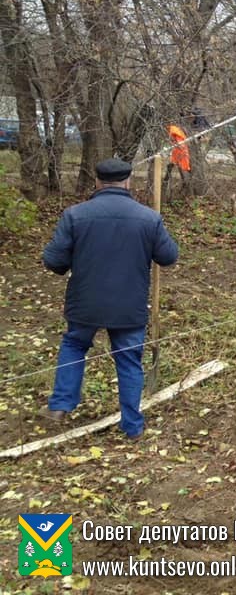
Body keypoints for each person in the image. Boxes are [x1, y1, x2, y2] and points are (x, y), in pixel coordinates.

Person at [41, 158, 180, 440]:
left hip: (85, 302)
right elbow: (169, 257)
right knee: (129, 360)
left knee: (74, 345)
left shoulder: (75, 215)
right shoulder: (148, 218)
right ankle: (132, 426)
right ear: (128, 182)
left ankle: (60, 405)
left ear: (97, 181)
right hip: (129, 306)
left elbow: (54, 261)